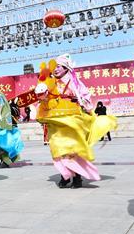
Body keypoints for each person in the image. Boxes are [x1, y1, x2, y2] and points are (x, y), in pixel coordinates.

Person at [35, 55, 117, 188]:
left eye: (59, 66)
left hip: (72, 119)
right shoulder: (51, 83)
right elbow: (42, 98)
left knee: (73, 149)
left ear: (66, 68)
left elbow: (85, 96)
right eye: (54, 67)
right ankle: (65, 175)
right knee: (57, 147)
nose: (55, 69)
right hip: (56, 121)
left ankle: (77, 178)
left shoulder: (75, 82)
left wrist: (80, 101)